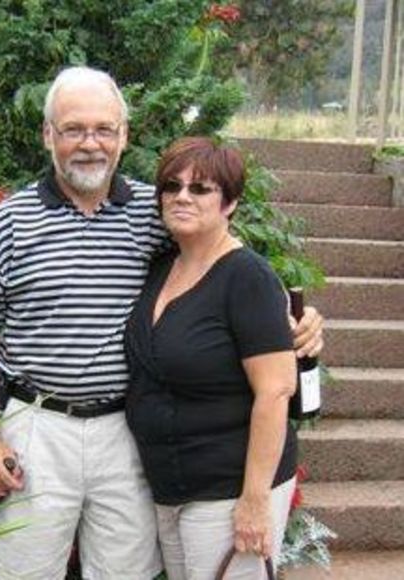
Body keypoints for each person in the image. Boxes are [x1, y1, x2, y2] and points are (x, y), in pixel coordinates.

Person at [0, 67, 323, 580]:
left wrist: (297, 321)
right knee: (23, 571)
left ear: (124, 136)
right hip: (37, 427)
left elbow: (223, 265)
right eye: (74, 129)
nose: (90, 143)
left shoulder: (155, 211)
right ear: (48, 135)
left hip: (127, 433)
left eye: (104, 129)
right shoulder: (9, 222)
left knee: (126, 573)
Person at [125, 137, 299, 580]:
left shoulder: (248, 277)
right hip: (171, 486)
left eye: (200, 188)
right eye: (172, 186)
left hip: (229, 489)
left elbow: (276, 390)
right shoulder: (162, 268)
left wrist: (255, 500)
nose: (182, 196)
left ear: (230, 202)